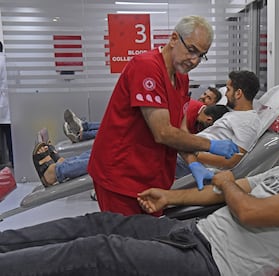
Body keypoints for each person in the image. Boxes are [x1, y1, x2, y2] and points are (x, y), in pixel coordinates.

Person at [0, 110, 279, 275]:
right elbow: (220, 193)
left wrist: (225, 181)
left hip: (212, 264)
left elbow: (247, 211)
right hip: (193, 233)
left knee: (97, 250)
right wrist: (170, 197)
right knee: (99, 222)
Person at [87, 15, 240, 216]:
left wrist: (193, 162)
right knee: (123, 242)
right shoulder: (147, 67)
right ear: (174, 39)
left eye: (201, 55)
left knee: (144, 240)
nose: (194, 60)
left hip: (152, 177)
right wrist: (210, 145)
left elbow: (180, 128)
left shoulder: (182, 77)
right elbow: (163, 133)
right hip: (121, 174)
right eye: (191, 50)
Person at [32, 102, 229, 187]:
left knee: (119, 149)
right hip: (176, 152)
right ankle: (65, 165)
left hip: (176, 160)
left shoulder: (239, 125)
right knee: (119, 140)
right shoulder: (202, 117)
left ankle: (58, 170)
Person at [175, 70, 261, 186]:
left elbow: (232, 161)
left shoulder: (248, 122)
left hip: (193, 160)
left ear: (238, 93)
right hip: (189, 149)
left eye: (228, 90)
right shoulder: (233, 113)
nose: (225, 94)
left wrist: (194, 154)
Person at [62, 100, 229, 143]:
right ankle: (83, 132)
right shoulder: (190, 115)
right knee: (116, 130)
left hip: (151, 121)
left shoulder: (195, 109)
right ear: (209, 119)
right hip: (150, 125)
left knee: (115, 128)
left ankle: (83, 130)